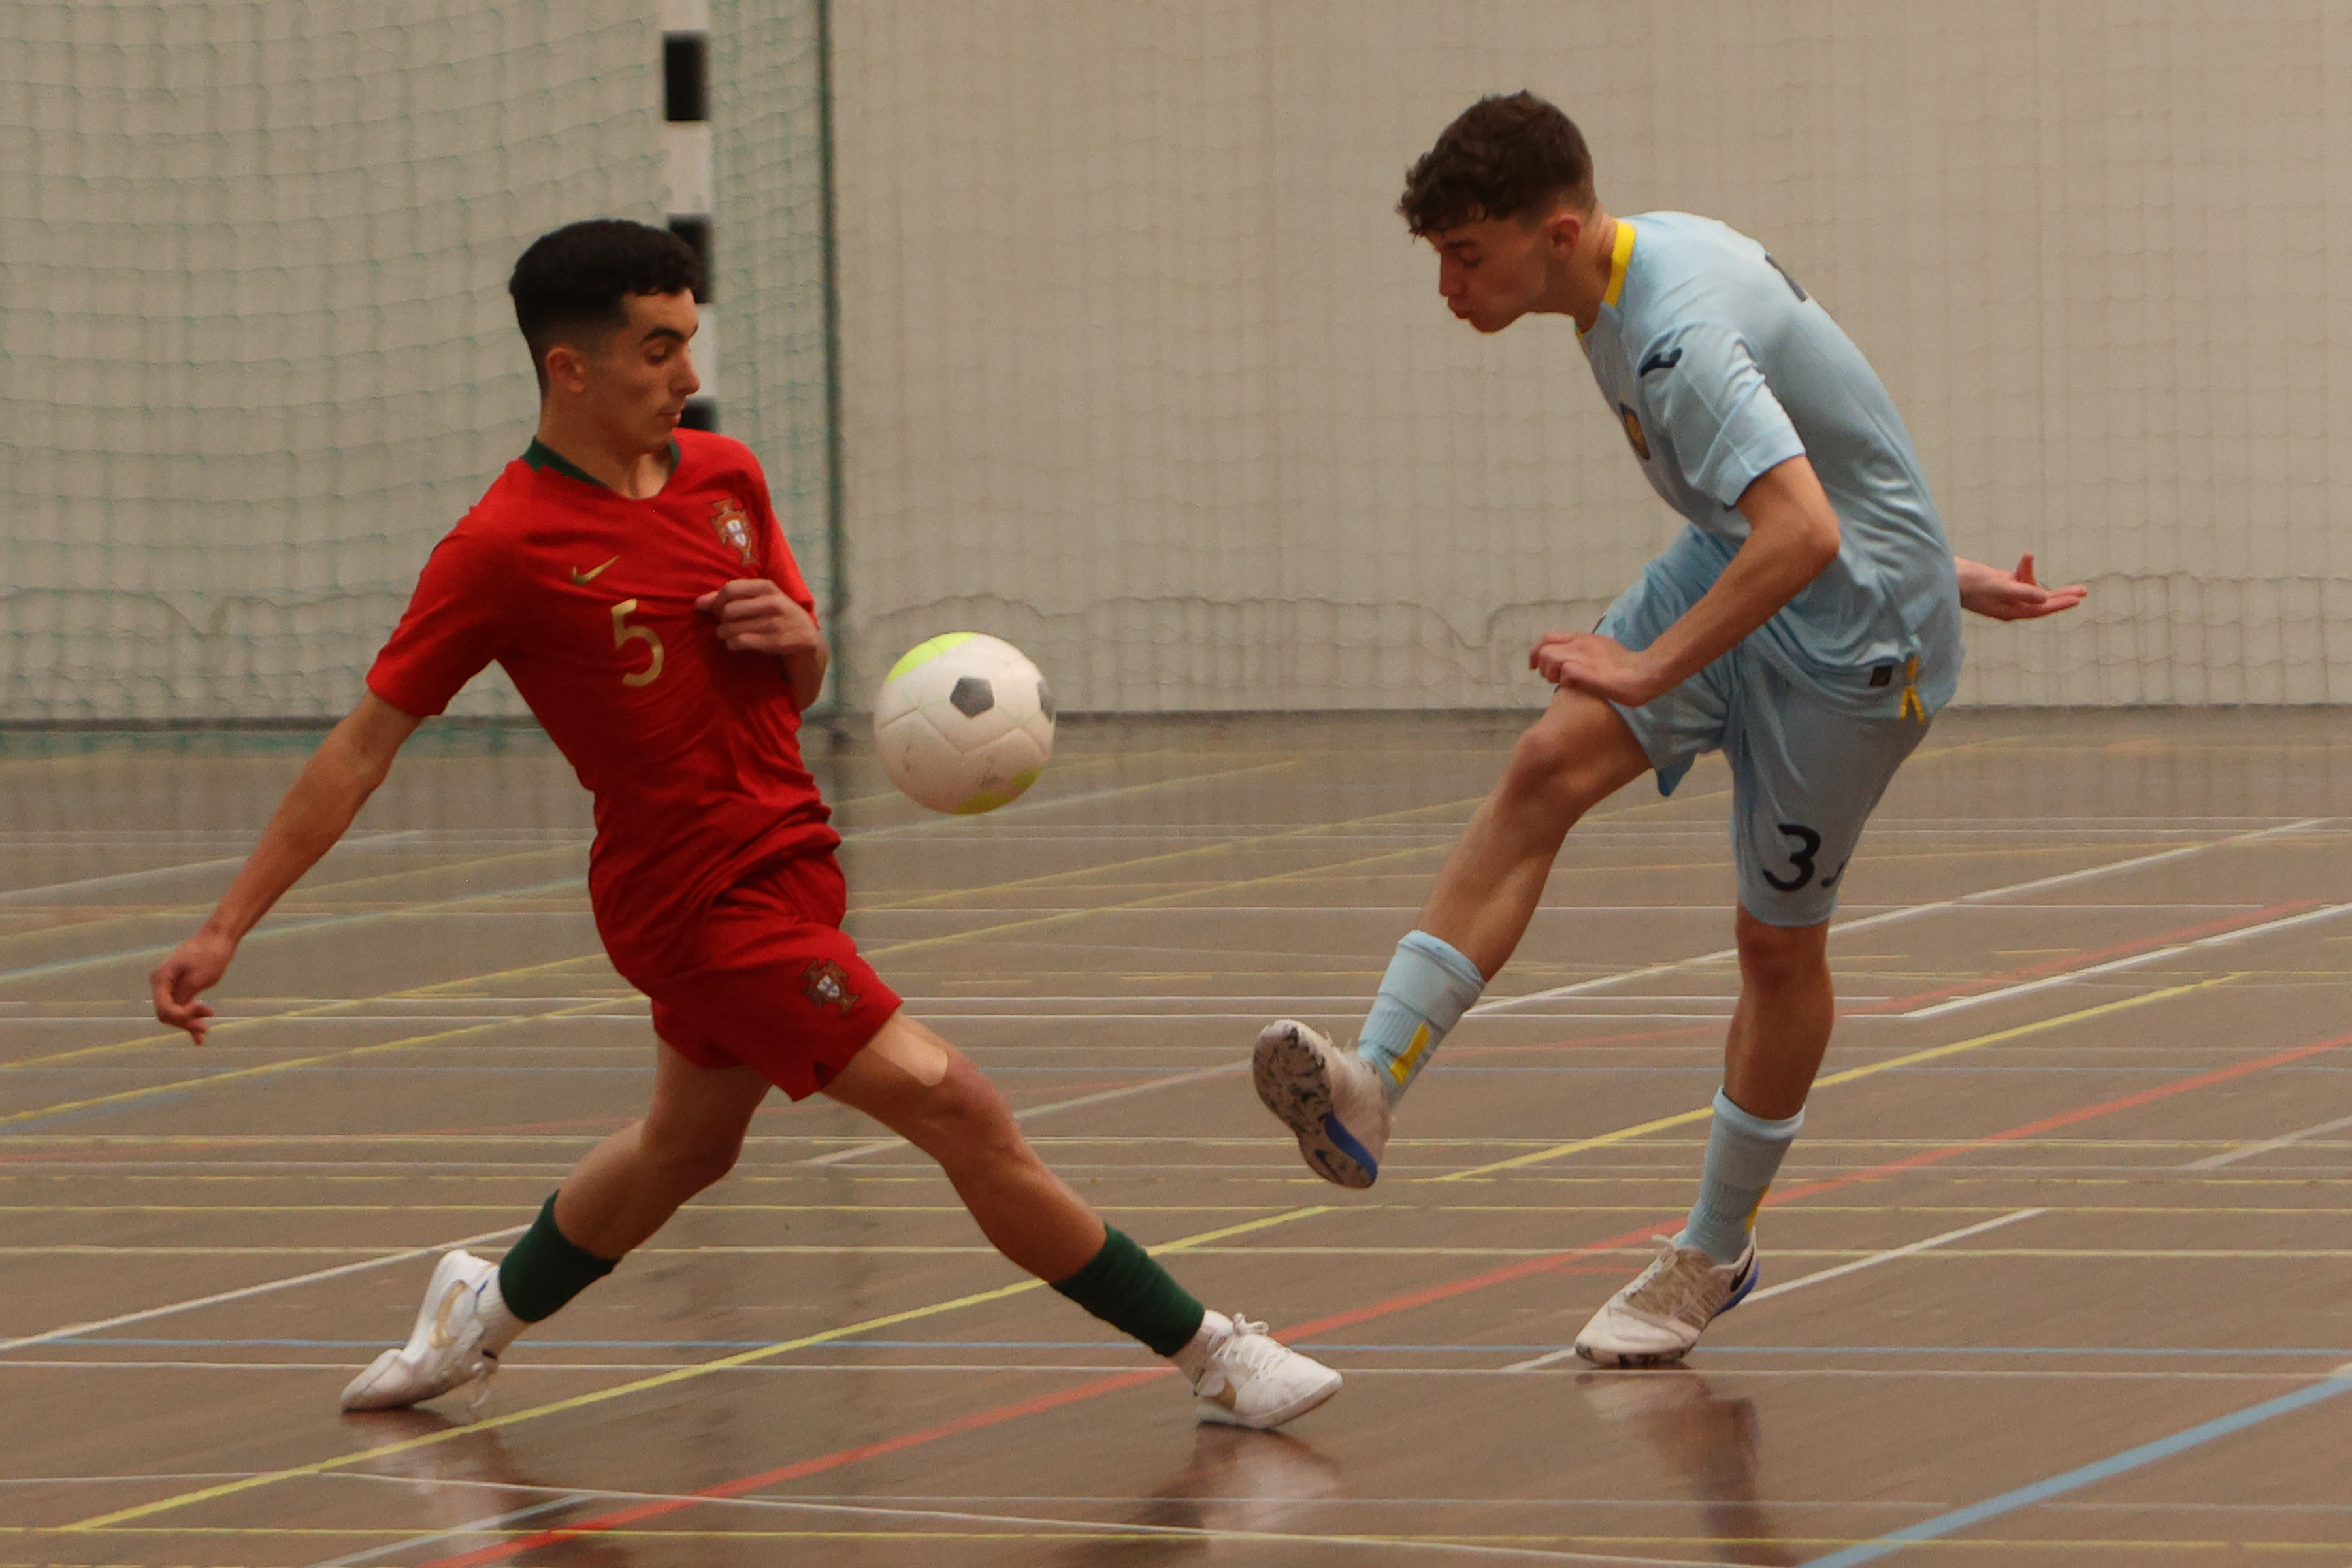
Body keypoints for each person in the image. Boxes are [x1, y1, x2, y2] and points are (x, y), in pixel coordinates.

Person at [149, 219, 1341, 1431]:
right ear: (570, 368)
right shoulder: (503, 546)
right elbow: (363, 746)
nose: (686, 374)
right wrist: (226, 926)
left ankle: (479, 1313)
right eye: (657, 349)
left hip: (794, 862)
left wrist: (802, 641)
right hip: (695, 906)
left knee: (685, 1150)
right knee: (959, 1107)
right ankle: (1213, 1355)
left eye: (689, 342)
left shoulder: (726, 478)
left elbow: (795, 680)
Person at [1250, 93, 2085, 1367]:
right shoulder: (1623, 280)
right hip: (1750, 563)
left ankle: (1714, 1252)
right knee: (1544, 766)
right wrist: (1939, 556)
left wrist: (1650, 667)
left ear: (1557, 232)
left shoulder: (1671, 337)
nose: (1448, 288)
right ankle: (1369, 1082)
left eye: (1464, 256)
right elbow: (1825, 448)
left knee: (1774, 950)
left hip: (1855, 646)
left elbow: (1805, 527)